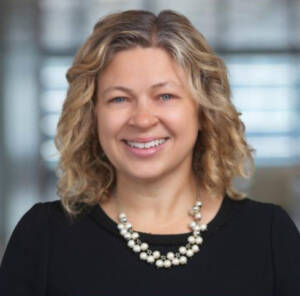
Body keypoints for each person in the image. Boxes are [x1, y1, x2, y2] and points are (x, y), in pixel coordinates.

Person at [0, 9, 299, 296]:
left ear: (203, 111)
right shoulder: (44, 236)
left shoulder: (270, 235)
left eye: (165, 96)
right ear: (92, 116)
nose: (142, 119)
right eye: (119, 99)